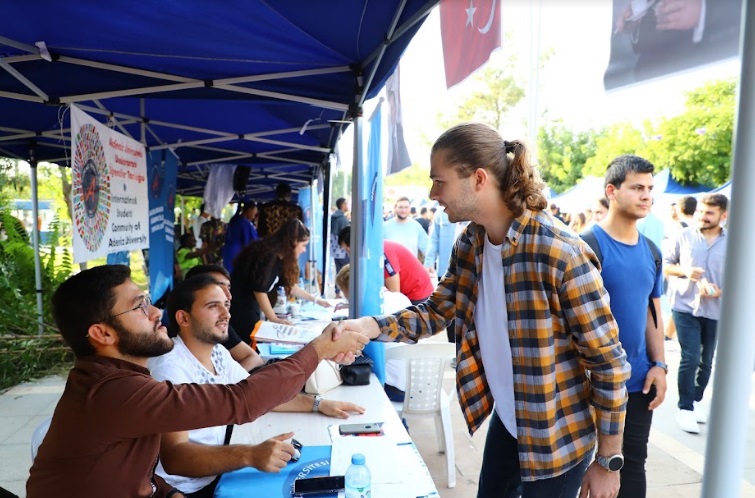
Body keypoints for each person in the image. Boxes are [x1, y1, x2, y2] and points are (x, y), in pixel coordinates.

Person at [334, 123, 630, 498]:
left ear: (477, 179)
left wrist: (608, 460)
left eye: (439, 181)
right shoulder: (470, 242)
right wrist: (368, 326)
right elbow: (437, 310)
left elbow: (608, 363)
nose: (432, 193)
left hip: (558, 437)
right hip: (509, 422)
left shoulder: (559, 252)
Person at [26, 264, 368, 498]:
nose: (155, 312)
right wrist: (320, 349)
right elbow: (242, 401)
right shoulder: (114, 392)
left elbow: (130, 468)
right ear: (101, 333)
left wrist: (166, 491)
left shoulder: (118, 382)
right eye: (139, 307)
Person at [149, 275, 364, 497]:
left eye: (226, 305)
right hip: (183, 489)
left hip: (219, 473)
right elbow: (175, 458)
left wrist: (318, 404)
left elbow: (257, 396)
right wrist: (250, 455)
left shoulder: (218, 353)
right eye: (213, 306)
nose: (226, 314)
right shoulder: (170, 369)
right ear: (183, 318)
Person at [584, 155, 667, 498]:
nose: (646, 195)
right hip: (588, 384)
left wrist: (660, 366)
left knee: (631, 466)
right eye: (637, 187)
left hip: (637, 383)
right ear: (612, 191)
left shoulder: (651, 250)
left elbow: (652, 313)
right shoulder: (586, 246)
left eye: (649, 188)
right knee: (580, 469)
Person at [664, 193, 728, 434]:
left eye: (709, 213)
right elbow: (667, 266)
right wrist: (686, 271)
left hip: (715, 309)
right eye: (700, 211)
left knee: (706, 359)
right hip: (684, 305)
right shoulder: (683, 235)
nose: (702, 216)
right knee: (689, 356)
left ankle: (697, 400)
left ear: (723, 215)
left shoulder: (734, 242)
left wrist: (722, 291)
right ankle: (685, 407)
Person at [230, 219, 330, 343]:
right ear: (293, 242)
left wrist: (317, 300)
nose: (304, 250)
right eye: (303, 245)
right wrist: (274, 319)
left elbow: (291, 286)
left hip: (250, 308)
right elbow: (259, 289)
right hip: (241, 310)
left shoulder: (279, 257)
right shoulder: (268, 256)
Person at [335, 264, 413, 402]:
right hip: (417, 383)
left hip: (391, 387)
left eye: (347, 297)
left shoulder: (366, 312)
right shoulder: (401, 298)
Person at [184, 264, 261, 372]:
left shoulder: (218, 323)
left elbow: (254, 358)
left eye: (228, 288)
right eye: (219, 287)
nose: (228, 296)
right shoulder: (172, 358)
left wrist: (226, 383)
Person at [338, 226, 433, 306]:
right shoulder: (372, 250)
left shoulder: (382, 252)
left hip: (418, 295)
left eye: (348, 250)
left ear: (356, 244)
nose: (349, 255)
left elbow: (394, 296)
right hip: (409, 295)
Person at [222, 201, 258, 274]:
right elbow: (253, 243)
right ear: (249, 210)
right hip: (237, 254)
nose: (254, 217)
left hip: (227, 252)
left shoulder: (234, 220)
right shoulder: (246, 225)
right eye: (254, 214)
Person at [330, 197, 350, 298]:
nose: (348, 206)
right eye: (346, 203)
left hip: (335, 251)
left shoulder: (333, 217)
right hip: (342, 251)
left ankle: (337, 292)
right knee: (346, 272)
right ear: (342, 205)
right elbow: (346, 236)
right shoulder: (342, 219)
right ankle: (345, 292)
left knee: (339, 271)